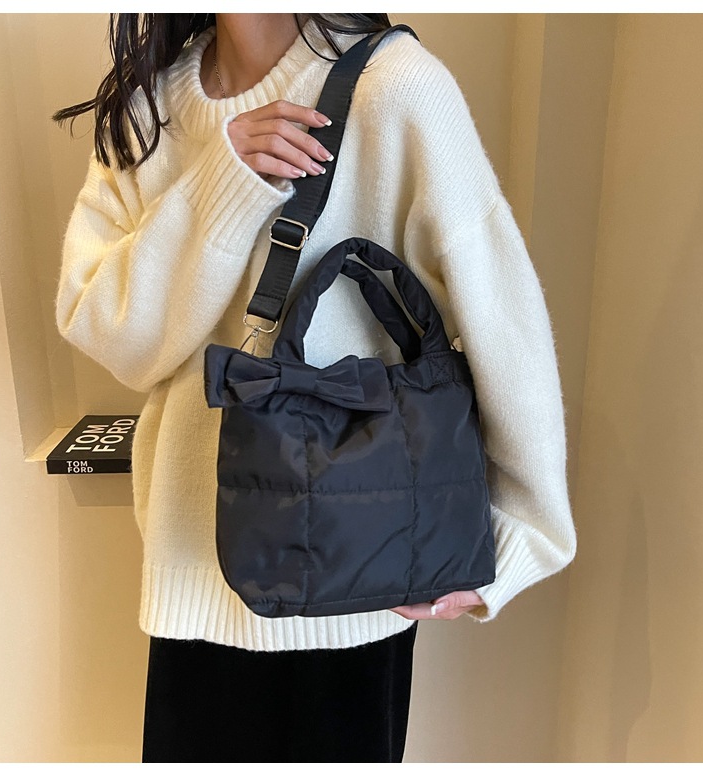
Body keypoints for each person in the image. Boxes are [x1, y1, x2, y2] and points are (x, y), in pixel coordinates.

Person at [53, 12, 577, 763]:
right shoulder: (148, 108)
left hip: (355, 584)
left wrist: (521, 535)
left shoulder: (396, 88)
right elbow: (115, 339)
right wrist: (219, 186)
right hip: (193, 578)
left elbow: (499, 313)